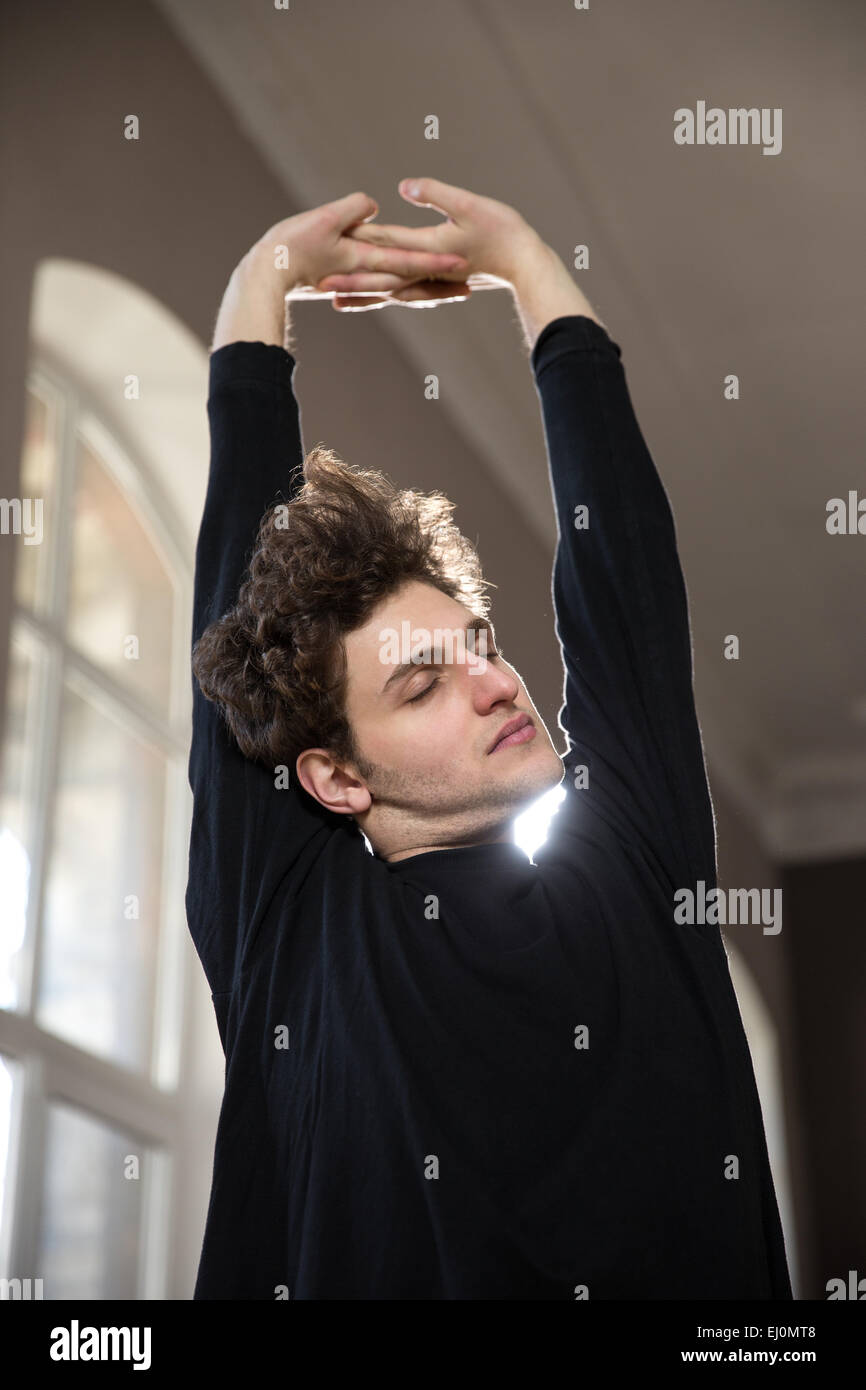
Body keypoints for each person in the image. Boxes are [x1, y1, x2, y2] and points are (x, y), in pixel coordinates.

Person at [186, 178, 793, 1299]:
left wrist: (525, 263)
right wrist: (262, 279)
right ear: (329, 775)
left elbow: (623, 579)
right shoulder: (295, 933)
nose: (492, 683)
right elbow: (237, 594)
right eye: (421, 686)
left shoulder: (638, 866)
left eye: (479, 643)